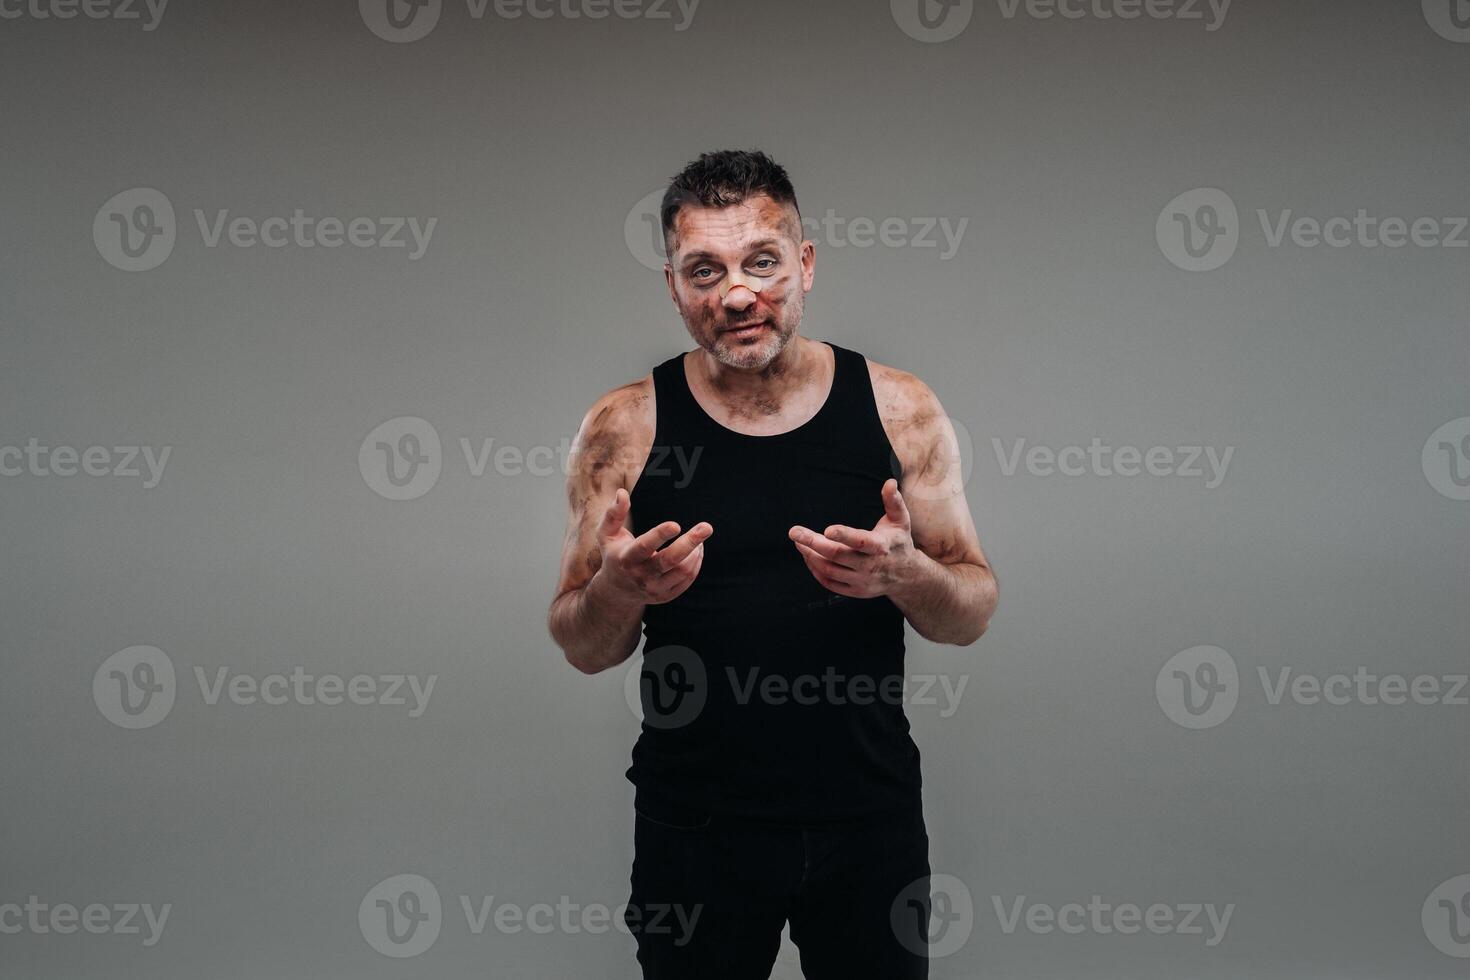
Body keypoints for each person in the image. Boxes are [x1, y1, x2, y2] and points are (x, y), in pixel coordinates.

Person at [547, 149, 997, 978]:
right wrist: (619, 588)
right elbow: (582, 643)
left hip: (867, 818)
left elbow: (970, 611)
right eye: (704, 271)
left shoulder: (900, 407)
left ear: (807, 263)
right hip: (695, 830)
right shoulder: (625, 425)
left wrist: (906, 577)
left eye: (762, 262)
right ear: (673, 287)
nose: (739, 294)